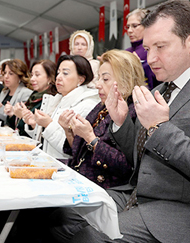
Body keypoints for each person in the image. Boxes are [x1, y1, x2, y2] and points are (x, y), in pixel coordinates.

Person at [54, 0, 190, 243]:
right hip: (137, 198)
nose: (150, 59)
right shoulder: (162, 89)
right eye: (148, 49)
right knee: (52, 211)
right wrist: (121, 123)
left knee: (81, 234)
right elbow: (139, 160)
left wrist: (160, 128)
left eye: (160, 47)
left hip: (182, 216)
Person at [59, 50, 144, 188]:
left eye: (105, 79)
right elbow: (79, 153)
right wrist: (69, 131)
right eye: (99, 78)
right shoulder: (101, 107)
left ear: (126, 80)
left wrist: (90, 138)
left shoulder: (136, 112)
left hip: (106, 190)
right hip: (83, 180)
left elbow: (128, 167)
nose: (98, 84)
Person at [23, 55, 99, 159]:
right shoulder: (59, 99)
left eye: (65, 73)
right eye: (58, 72)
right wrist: (34, 125)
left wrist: (48, 124)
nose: (58, 77)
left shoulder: (87, 105)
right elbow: (45, 141)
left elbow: (71, 149)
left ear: (80, 79)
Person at [14, 59, 58, 137]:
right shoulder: (34, 96)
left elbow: (41, 133)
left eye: (37, 75)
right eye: (32, 75)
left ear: (49, 78)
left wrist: (23, 117)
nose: (32, 79)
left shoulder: (51, 100)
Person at [126, 8, 161, 90]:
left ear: (147, 26)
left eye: (134, 26)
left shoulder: (155, 50)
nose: (130, 30)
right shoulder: (126, 52)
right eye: (128, 27)